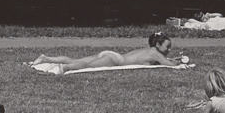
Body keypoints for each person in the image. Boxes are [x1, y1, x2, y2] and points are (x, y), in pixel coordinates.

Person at [30, 32, 187, 74]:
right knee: (85, 65)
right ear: (158, 44)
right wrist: (180, 62)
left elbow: (163, 59)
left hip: (111, 55)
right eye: (167, 47)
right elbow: (168, 65)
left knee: (77, 59)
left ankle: (45, 58)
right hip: (115, 60)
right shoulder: (155, 53)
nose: (169, 50)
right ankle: (66, 69)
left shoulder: (150, 51)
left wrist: (172, 58)